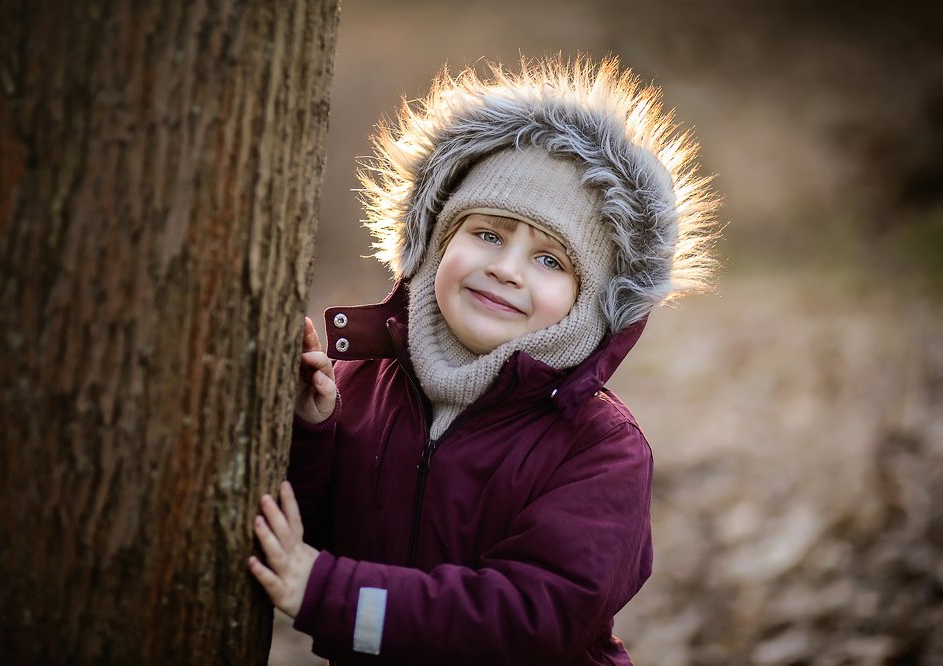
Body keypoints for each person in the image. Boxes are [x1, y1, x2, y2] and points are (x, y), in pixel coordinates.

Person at [247, 56, 719, 665]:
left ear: (590, 303)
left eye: (550, 260)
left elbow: (529, 619)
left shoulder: (600, 447)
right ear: (435, 241)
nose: (506, 268)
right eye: (488, 234)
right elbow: (302, 536)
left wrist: (328, 594)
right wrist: (313, 433)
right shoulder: (360, 383)